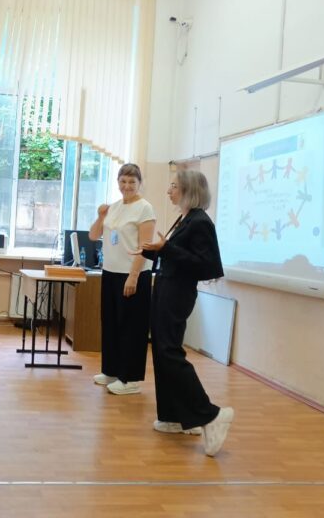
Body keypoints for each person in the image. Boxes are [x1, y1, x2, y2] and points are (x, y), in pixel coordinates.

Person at [139, 170, 234, 457]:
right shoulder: (185, 219)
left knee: (169, 352)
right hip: (166, 286)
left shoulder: (201, 222)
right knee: (161, 350)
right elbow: (176, 255)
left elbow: (207, 266)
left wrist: (167, 248)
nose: (169, 191)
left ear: (189, 190)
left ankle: (210, 414)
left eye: (174, 186)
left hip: (178, 292)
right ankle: (173, 416)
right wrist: (151, 251)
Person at [88, 163, 156, 396]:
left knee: (131, 327)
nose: (127, 186)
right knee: (111, 324)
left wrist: (133, 276)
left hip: (133, 274)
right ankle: (111, 370)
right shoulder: (113, 207)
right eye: (123, 181)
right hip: (110, 272)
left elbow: (145, 248)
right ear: (117, 182)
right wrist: (100, 216)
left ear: (139, 184)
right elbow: (93, 235)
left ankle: (131, 379)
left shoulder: (145, 208)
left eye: (132, 182)